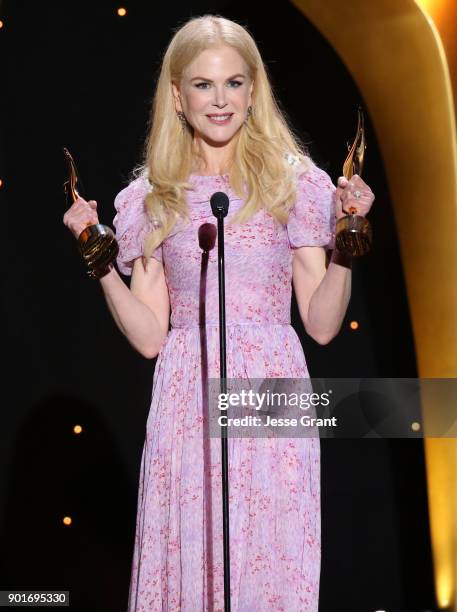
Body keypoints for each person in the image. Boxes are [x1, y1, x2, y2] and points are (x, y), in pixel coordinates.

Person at [63, 14, 374, 611]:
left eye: (234, 82)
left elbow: (323, 324)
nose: (221, 100)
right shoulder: (151, 195)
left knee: (268, 570)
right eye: (204, 85)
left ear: (254, 90)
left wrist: (349, 240)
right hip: (187, 396)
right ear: (177, 96)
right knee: (197, 569)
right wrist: (99, 259)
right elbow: (151, 335)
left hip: (271, 392)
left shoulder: (295, 185)